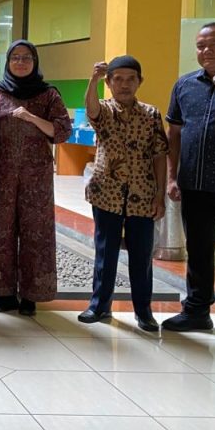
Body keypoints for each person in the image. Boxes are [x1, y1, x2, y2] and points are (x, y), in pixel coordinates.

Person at [164, 22, 215, 349]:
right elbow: (174, 134)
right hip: (195, 185)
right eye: (201, 46)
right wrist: (172, 176)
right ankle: (197, 311)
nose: (206, 51)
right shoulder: (185, 85)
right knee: (198, 251)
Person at [0, 40, 72, 316]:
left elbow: (62, 131)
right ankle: (3, 292)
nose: (20, 62)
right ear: (7, 62)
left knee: (36, 232)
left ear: (35, 61)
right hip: (0, 174)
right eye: (15, 57)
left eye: (26, 57)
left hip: (37, 177)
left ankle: (32, 294)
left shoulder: (48, 94)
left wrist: (32, 118)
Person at [79, 56, 168, 331]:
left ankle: (144, 311)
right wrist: (94, 79)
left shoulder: (151, 114)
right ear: (109, 83)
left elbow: (159, 154)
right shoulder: (105, 111)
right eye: (118, 79)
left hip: (142, 194)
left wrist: (160, 194)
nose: (125, 85)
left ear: (140, 81)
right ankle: (99, 306)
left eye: (131, 79)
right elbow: (91, 109)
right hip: (106, 193)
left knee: (141, 255)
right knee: (105, 253)